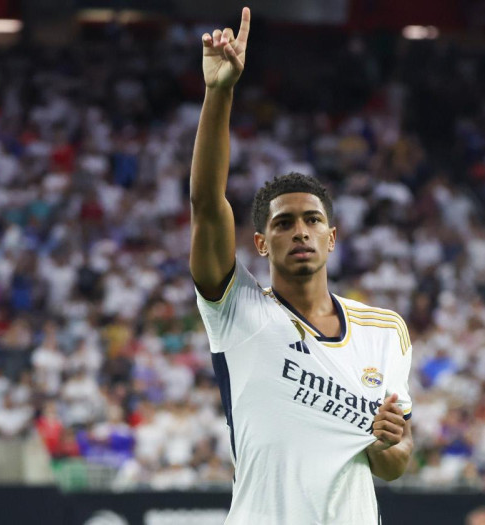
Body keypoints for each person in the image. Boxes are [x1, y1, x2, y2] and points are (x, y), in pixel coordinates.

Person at [189, 8, 414, 523]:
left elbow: (395, 462)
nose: (300, 231)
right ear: (262, 243)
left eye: (312, 221)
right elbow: (206, 203)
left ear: (331, 238)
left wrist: (390, 444)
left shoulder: (386, 332)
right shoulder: (237, 312)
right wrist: (219, 91)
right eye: (284, 223)